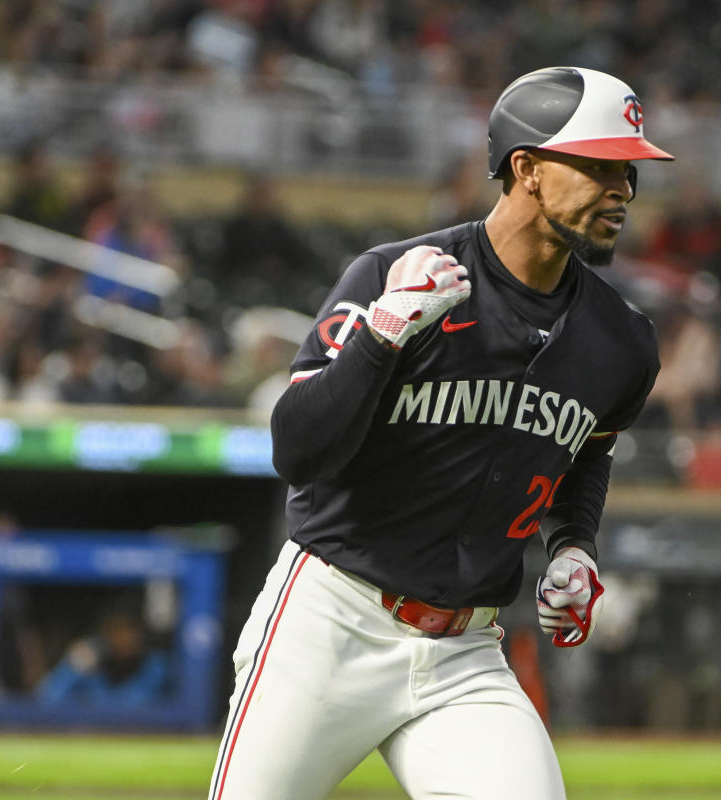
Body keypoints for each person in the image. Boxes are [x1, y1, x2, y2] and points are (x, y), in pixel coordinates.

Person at [209, 66, 672, 800]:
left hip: (465, 650)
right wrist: (380, 336)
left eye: (630, 170)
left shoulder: (623, 342)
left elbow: (587, 452)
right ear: (525, 168)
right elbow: (296, 451)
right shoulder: (393, 275)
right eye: (598, 165)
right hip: (332, 620)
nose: (621, 188)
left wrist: (574, 544)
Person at [36, 607, 170, 707]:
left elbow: (134, 704)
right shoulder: (93, 664)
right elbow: (46, 698)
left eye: (130, 634)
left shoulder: (155, 665)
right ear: (107, 637)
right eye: (118, 633)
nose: (125, 641)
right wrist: (71, 669)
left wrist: (97, 699)